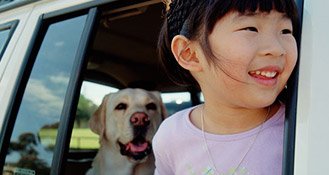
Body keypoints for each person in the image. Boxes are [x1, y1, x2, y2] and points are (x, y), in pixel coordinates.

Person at [152, 0, 299, 175]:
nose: (277, 48)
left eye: (286, 31)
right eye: (251, 29)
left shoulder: (304, 131)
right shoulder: (171, 136)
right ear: (190, 54)